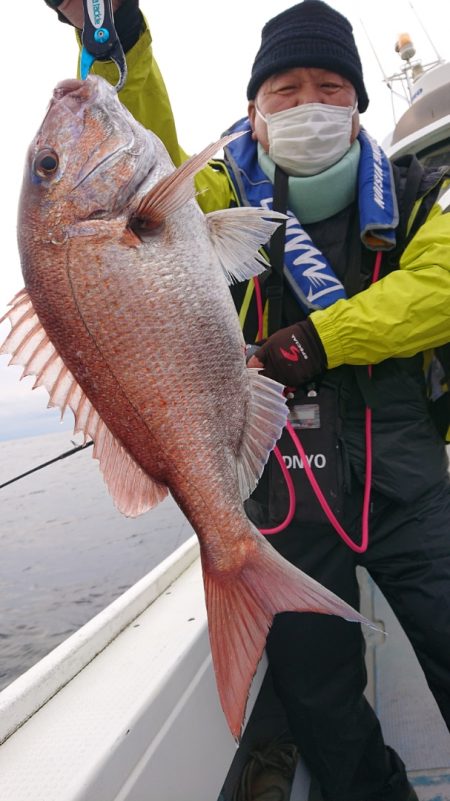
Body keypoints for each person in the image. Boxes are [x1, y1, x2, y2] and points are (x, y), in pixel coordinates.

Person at [45, 2, 450, 800]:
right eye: (285, 90)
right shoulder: (212, 193)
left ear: (358, 105)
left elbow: (441, 284)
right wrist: (115, 34)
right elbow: (138, 146)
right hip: (280, 484)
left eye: (330, 88)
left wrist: (324, 338)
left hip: (411, 482)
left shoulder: (420, 191)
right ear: (254, 113)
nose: (309, 104)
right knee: (321, 703)